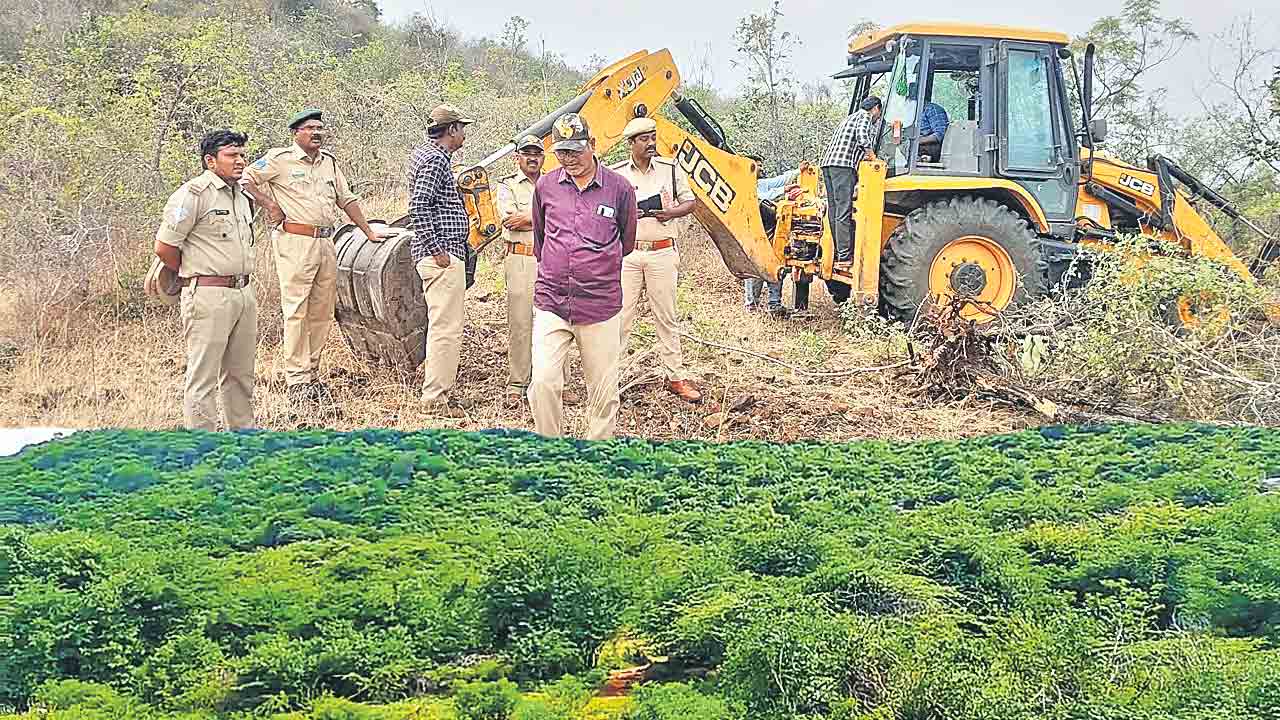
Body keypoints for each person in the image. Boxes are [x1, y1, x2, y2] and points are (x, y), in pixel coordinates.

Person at [241, 108, 387, 405]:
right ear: (296, 133)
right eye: (309, 128)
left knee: (322, 311)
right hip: (295, 241)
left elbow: (346, 199)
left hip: (326, 242)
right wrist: (269, 205)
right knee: (296, 310)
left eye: (320, 128)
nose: (316, 133)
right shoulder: (280, 159)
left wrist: (369, 231)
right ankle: (296, 380)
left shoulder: (329, 163)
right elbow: (245, 179)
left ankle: (313, 374)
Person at [528, 112, 637, 440]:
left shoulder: (619, 189)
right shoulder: (546, 186)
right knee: (544, 382)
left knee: (603, 393)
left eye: (575, 150)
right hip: (552, 302)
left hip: (599, 308)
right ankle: (552, 451)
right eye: (562, 152)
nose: (569, 159)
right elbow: (540, 239)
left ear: (592, 144)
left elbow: (626, 242)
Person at [154, 129, 257, 431]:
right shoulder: (193, 194)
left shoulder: (241, 195)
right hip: (208, 296)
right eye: (231, 156)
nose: (240, 161)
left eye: (242, 155)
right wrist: (194, 274)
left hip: (243, 292)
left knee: (240, 376)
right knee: (203, 378)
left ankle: (244, 441)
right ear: (210, 161)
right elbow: (164, 247)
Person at [610, 117, 701, 403]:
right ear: (631, 144)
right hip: (629, 254)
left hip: (662, 251)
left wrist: (670, 213)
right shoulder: (615, 174)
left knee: (667, 317)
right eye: (644, 139)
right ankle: (611, 380)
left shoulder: (670, 170)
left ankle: (675, 377)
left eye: (653, 137)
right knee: (620, 318)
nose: (651, 143)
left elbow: (691, 202)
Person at [405, 104, 475, 416]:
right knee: (447, 327)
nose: (463, 134)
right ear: (451, 131)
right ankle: (435, 399)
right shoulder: (435, 160)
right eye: (461, 128)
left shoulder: (426, 154)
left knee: (443, 325)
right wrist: (437, 249)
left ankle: (440, 388)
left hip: (441, 252)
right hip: (441, 254)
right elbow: (418, 206)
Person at [495, 134, 575, 409]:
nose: (532, 158)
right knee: (520, 322)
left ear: (544, 157)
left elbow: (567, 217)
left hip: (553, 260)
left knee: (557, 320)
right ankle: (517, 383)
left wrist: (533, 217)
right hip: (521, 259)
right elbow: (510, 221)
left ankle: (558, 383)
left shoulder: (557, 183)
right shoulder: (506, 186)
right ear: (518, 157)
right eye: (527, 153)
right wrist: (545, 215)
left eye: (537, 153)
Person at [819, 96, 883, 267]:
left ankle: (840, 254)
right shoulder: (864, 117)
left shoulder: (849, 118)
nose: (877, 119)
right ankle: (845, 256)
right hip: (843, 166)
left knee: (834, 210)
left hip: (828, 165)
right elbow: (862, 136)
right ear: (875, 108)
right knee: (843, 210)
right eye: (879, 114)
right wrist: (872, 157)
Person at [745, 164, 806, 315]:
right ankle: (752, 305)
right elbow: (760, 199)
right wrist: (784, 192)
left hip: (771, 234)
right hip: (755, 235)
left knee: (777, 265)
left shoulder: (761, 183)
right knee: (755, 269)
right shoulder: (744, 188)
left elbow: (779, 180)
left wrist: (798, 171)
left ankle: (774, 304)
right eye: (756, 165)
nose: (760, 168)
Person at [911, 83, 950, 162]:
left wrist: (918, 140)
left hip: (929, 149)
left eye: (912, 94)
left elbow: (939, 134)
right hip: (914, 149)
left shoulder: (932, 109)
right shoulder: (912, 113)